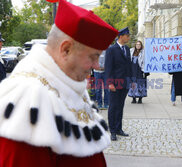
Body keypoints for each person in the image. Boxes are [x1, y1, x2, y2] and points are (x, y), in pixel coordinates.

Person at [0, 0, 118, 166]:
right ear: (66, 50)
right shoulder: (28, 101)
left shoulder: (67, 84)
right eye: (93, 56)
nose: (97, 66)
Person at [105, 27, 132, 141]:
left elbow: (129, 66)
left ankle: (119, 128)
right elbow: (108, 68)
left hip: (125, 83)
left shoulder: (127, 49)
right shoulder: (112, 49)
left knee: (120, 106)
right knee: (113, 107)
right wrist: (110, 83)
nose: (129, 37)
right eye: (127, 35)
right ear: (121, 36)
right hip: (115, 84)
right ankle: (113, 131)